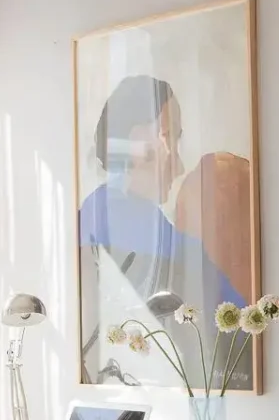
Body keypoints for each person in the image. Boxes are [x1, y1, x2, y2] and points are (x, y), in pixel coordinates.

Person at [79, 75, 248, 385]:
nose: (179, 166)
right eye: (171, 137)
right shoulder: (159, 240)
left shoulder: (96, 217)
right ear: (140, 144)